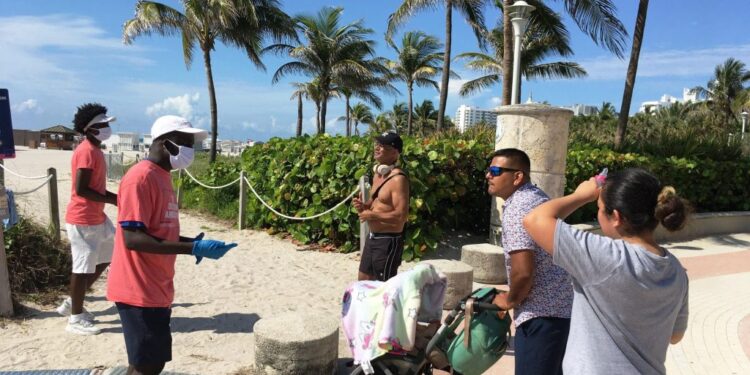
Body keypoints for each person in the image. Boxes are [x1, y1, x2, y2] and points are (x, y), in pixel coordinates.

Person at [523, 168, 690, 374]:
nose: (598, 213)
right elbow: (675, 335)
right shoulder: (677, 271)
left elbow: (534, 220)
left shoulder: (605, 257)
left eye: (600, 208)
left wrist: (580, 195)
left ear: (617, 216)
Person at [107, 115, 237, 375]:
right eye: (186, 143)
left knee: (148, 362)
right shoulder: (139, 178)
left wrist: (196, 243)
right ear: (166, 143)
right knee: (148, 364)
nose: (190, 150)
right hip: (138, 288)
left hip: (158, 284)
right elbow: (133, 238)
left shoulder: (163, 177)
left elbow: (159, 231)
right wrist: (192, 249)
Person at [485, 148, 572, 374]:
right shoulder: (537, 197)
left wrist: (509, 300)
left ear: (517, 176)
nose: (488, 175)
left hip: (540, 314)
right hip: (561, 311)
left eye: (495, 171)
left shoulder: (518, 207)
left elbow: (523, 271)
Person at [57, 103, 118, 335]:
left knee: (110, 253)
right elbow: (81, 189)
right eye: (102, 125)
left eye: (106, 124)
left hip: (97, 217)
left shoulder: (96, 150)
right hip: (83, 218)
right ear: (90, 129)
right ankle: (75, 318)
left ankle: (74, 301)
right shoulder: (86, 151)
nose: (106, 128)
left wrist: (113, 198)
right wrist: (113, 199)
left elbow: (94, 186)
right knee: (82, 267)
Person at [353, 131, 409, 281]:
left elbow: (401, 216)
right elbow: (376, 204)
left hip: (388, 241)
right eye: (377, 144)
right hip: (373, 238)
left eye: (382, 146)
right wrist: (364, 207)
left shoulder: (398, 180)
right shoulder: (378, 175)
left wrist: (372, 215)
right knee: (363, 281)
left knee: (383, 287)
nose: (377, 148)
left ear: (395, 152)